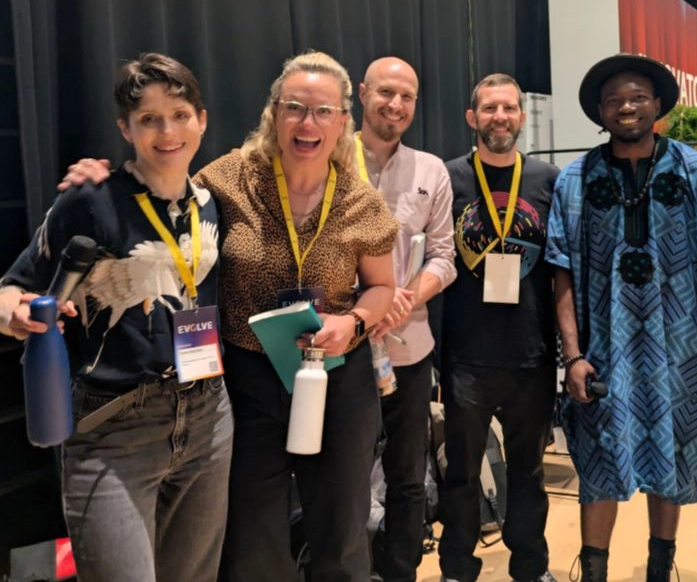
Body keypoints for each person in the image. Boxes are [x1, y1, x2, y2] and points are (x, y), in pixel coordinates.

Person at [57, 51, 400, 581]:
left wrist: (352, 323)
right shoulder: (225, 179)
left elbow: (382, 288)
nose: (308, 123)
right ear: (274, 114)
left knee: (341, 532)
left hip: (333, 374)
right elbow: (156, 181)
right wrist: (98, 177)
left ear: (341, 123)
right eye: (295, 108)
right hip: (246, 376)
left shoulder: (362, 203)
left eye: (323, 112)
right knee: (251, 536)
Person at [0, 53, 233, 582]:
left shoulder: (209, 202)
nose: (167, 130)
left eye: (179, 113)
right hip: (115, 427)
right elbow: (11, 289)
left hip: (208, 419)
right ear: (125, 128)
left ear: (202, 119)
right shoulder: (90, 200)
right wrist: (15, 314)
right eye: (149, 118)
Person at [546, 54, 697, 582]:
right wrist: (574, 355)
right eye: (615, 99)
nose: (627, 106)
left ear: (657, 105)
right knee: (601, 461)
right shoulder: (575, 180)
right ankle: (594, 572)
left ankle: (659, 568)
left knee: (673, 454)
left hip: (682, 351)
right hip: (606, 353)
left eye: (638, 97)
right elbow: (562, 274)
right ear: (600, 112)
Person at [438, 73, 560, 582]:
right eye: (489, 108)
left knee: (529, 473)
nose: (500, 117)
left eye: (509, 108)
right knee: (462, 474)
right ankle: (456, 569)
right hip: (466, 355)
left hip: (531, 354)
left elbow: (562, 267)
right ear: (473, 118)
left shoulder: (548, 180)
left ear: (521, 117)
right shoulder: (448, 178)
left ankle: (530, 569)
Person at [355, 56, 456, 581]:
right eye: (386, 93)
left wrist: (406, 297)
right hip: (342, 350)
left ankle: (400, 572)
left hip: (409, 347)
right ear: (362, 92)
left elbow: (445, 257)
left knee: (407, 477)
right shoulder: (329, 155)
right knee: (342, 476)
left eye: (407, 97)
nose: (395, 105)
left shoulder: (430, 169)